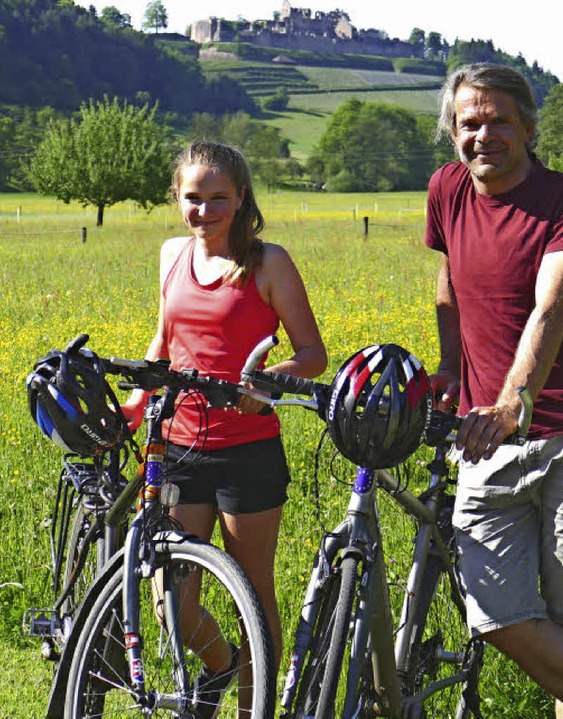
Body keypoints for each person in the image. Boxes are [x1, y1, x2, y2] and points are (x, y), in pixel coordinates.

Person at [425, 63, 563, 719]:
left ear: (527, 125)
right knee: (495, 613)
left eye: (497, 121)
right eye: (468, 122)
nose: (482, 134)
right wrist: (450, 368)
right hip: (485, 440)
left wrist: (517, 395)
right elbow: (449, 285)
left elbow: (554, 305)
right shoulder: (446, 190)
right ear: (453, 130)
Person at [121, 139, 327, 717]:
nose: (205, 210)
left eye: (218, 198)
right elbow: (163, 344)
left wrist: (267, 382)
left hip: (249, 454)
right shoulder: (170, 255)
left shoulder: (268, 263)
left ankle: (250, 708)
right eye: (193, 198)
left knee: (253, 596)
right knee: (171, 603)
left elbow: (312, 354)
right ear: (176, 199)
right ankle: (223, 666)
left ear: (240, 198)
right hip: (179, 446)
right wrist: (135, 406)